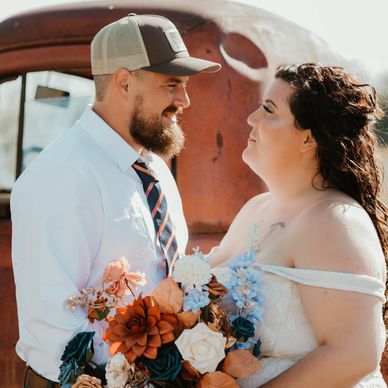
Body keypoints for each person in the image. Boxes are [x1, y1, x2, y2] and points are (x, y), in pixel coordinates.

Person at [11, 13, 220, 386]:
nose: (184, 100)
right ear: (124, 82)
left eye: (185, 86)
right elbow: (52, 322)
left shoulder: (153, 168)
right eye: (172, 85)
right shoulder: (63, 174)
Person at [210, 63, 387, 387]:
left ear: (308, 139)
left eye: (269, 110)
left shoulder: (334, 220)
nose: (252, 118)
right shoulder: (255, 209)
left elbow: (355, 353)